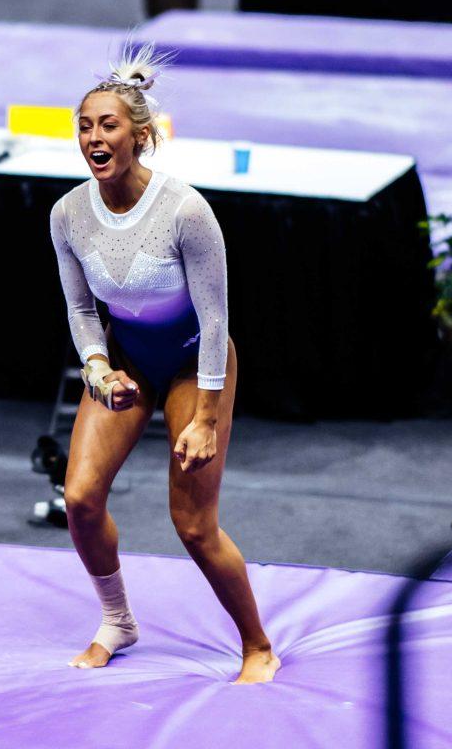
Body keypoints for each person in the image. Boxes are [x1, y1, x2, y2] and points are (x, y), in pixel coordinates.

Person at [50, 44, 279, 684]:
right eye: (86, 126)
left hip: (193, 367)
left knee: (194, 525)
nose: (95, 138)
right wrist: (98, 370)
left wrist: (205, 418)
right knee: (80, 499)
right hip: (126, 360)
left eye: (110, 125)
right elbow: (80, 311)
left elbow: (215, 323)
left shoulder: (185, 210)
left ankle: (258, 645)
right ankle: (117, 620)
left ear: (141, 137)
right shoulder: (67, 214)